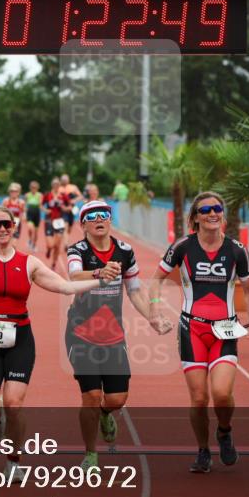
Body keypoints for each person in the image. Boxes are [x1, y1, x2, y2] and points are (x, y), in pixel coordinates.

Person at [0, 206, 108, 482]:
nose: (2, 229)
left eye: (7, 225)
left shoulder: (29, 263)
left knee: (14, 404)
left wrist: (99, 277)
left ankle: (13, 462)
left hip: (20, 339)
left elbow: (66, 287)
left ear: (14, 228)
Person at [150, 191, 249, 473]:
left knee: (222, 394)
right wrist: (155, 309)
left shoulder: (237, 249)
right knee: (199, 398)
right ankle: (203, 450)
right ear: (196, 218)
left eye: (217, 209)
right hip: (192, 329)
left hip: (225, 329)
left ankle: (224, 431)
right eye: (206, 210)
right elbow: (156, 279)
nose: (213, 213)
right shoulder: (182, 247)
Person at [66, 200, 170, 469]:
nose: (100, 219)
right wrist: (99, 272)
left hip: (113, 334)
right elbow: (74, 277)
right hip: (81, 333)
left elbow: (134, 290)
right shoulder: (77, 250)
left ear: (110, 220)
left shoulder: (125, 251)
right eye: (92, 216)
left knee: (116, 399)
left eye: (105, 215)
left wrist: (152, 318)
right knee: (90, 395)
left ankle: (105, 414)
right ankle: (90, 454)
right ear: (83, 224)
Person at [42, 178, 68, 270]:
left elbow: (69, 207)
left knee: (57, 245)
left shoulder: (63, 196)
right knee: (51, 245)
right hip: (49, 220)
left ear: (59, 186)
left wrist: (64, 208)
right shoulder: (48, 195)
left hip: (59, 221)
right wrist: (46, 210)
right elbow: (40, 205)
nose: (56, 187)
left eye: (58, 185)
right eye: (54, 185)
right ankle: (49, 249)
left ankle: (53, 263)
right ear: (52, 186)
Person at [59, 174, 81, 245]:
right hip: (63, 210)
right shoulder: (59, 188)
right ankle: (66, 243)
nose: (64, 181)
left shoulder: (73, 187)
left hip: (71, 209)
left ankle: (66, 238)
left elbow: (80, 196)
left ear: (68, 180)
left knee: (69, 228)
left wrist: (74, 200)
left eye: (65, 179)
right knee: (65, 226)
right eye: (63, 180)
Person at [25, 180, 43, 252]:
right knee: (30, 228)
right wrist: (24, 213)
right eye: (32, 187)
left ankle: (34, 245)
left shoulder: (39, 195)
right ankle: (30, 240)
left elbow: (40, 205)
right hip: (30, 213)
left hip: (36, 213)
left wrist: (46, 211)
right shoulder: (27, 195)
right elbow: (25, 205)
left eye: (35, 187)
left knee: (36, 232)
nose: (33, 188)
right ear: (30, 188)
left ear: (37, 188)